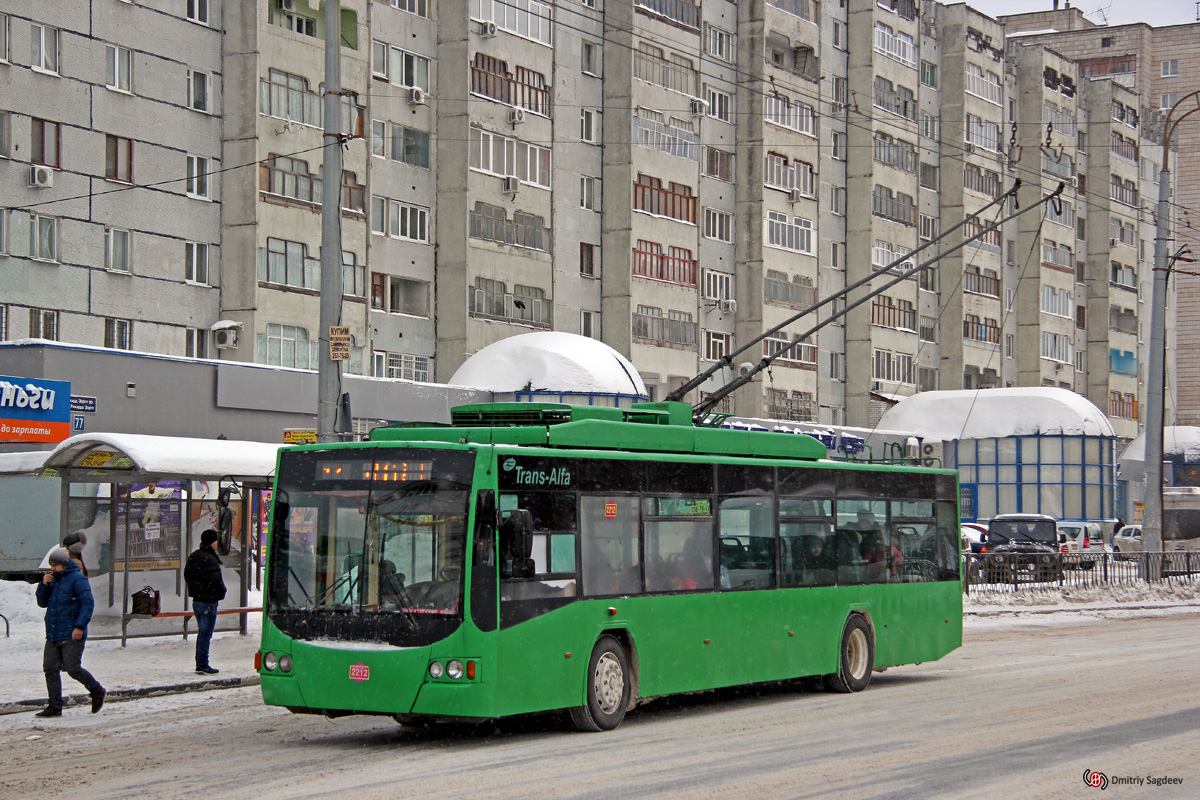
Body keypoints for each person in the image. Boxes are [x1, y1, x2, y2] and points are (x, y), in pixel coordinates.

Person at [35, 548, 105, 717]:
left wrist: (79, 626)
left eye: (55, 565)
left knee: (72, 668)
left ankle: (97, 690)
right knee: (50, 668)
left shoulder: (78, 579)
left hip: (72, 632)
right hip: (53, 632)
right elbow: (42, 603)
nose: (53, 568)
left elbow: (87, 604)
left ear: (64, 564)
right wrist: (43, 585)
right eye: (51, 565)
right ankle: (54, 706)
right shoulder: (52, 580)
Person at [184, 529, 226, 675]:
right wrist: (220, 592)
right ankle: (202, 663)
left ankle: (201, 662)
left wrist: (196, 590)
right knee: (205, 634)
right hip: (208, 601)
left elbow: (188, 575)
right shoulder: (210, 559)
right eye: (215, 541)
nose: (217, 544)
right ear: (211, 542)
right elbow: (215, 581)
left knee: (202, 632)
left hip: (197, 601)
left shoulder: (195, 556)